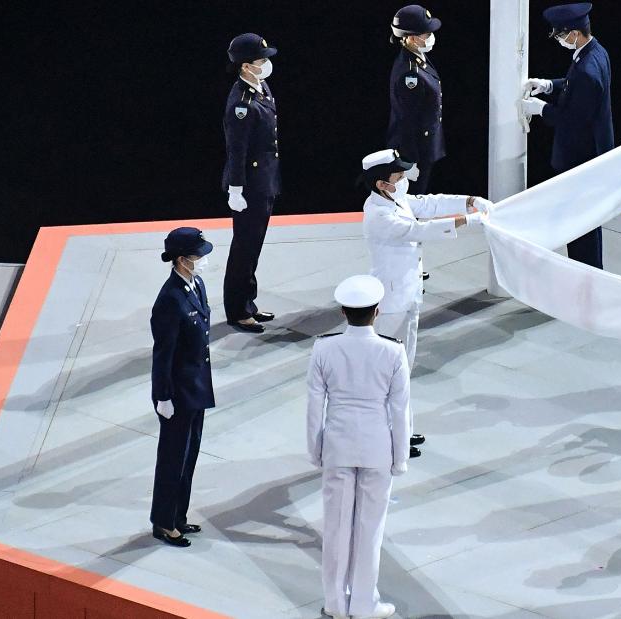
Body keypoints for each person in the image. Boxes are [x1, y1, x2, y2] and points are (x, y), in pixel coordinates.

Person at [361, 148, 491, 458]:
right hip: (392, 301)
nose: (404, 179)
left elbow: (428, 203)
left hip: (409, 295)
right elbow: (419, 229)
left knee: (404, 369)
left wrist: (469, 201)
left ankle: (400, 428)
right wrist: (466, 222)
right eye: (398, 175)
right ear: (381, 184)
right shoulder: (379, 215)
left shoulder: (396, 196)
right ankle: (386, 436)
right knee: (389, 373)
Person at [306, 275, 411, 619]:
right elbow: (400, 409)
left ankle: (335, 604)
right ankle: (365, 605)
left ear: (342, 311)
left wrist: (315, 449)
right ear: (377, 312)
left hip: (338, 445)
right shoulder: (393, 350)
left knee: (336, 528)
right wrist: (401, 458)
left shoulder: (324, 347)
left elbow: (314, 406)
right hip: (377, 447)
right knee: (370, 530)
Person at [521, 2, 613, 269]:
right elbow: (575, 87)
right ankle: (589, 272)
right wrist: (550, 84)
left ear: (574, 33)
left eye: (561, 35)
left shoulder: (587, 69)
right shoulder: (596, 53)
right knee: (587, 222)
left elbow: (573, 120)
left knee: (579, 225)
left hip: (580, 156)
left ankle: (585, 274)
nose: (560, 40)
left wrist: (542, 109)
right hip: (592, 152)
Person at [149, 227, 216, 547]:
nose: (202, 261)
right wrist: (163, 396)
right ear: (180, 260)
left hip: (197, 387)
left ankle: (179, 516)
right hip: (176, 394)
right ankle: (163, 522)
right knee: (172, 459)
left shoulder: (196, 284)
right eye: (197, 257)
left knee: (189, 456)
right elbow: (162, 354)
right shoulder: (169, 300)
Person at [222, 32, 280, 334]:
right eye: (261, 61)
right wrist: (235, 188)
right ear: (246, 66)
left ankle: (249, 303)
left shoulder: (260, 88)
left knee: (253, 247)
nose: (266, 64)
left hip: (265, 180)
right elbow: (237, 150)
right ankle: (237, 310)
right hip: (249, 187)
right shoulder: (241, 104)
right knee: (244, 248)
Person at [387, 4, 444, 195]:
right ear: (411, 38)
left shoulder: (419, 59)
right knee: (413, 202)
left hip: (426, 145)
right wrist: (408, 162)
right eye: (426, 34)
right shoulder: (410, 74)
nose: (430, 37)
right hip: (415, 150)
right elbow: (407, 120)